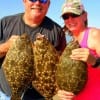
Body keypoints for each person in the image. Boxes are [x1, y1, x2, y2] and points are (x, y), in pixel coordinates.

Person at [0, 0, 66, 100]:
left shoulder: (57, 31)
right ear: (24, 1)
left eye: (43, 0)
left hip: (40, 96)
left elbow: (62, 66)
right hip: (5, 95)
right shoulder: (5, 23)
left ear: (48, 4)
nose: (38, 3)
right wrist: (5, 47)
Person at [57, 0, 100, 100]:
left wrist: (94, 61)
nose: (70, 20)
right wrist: (61, 90)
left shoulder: (95, 35)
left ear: (85, 16)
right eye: (66, 17)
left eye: (74, 15)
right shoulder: (70, 42)